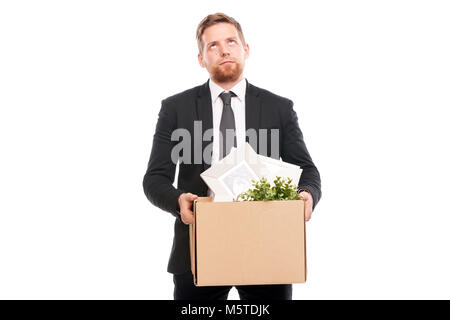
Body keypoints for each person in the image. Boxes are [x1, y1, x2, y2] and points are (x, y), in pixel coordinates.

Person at [143, 13, 321, 300]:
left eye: (231, 41)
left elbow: (308, 171)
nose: (223, 50)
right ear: (201, 58)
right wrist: (178, 202)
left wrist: (307, 195)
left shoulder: (279, 108)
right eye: (212, 46)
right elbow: (154, 179)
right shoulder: (176, 108)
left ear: (246, 49)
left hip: (267, 246)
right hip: (198, 248)